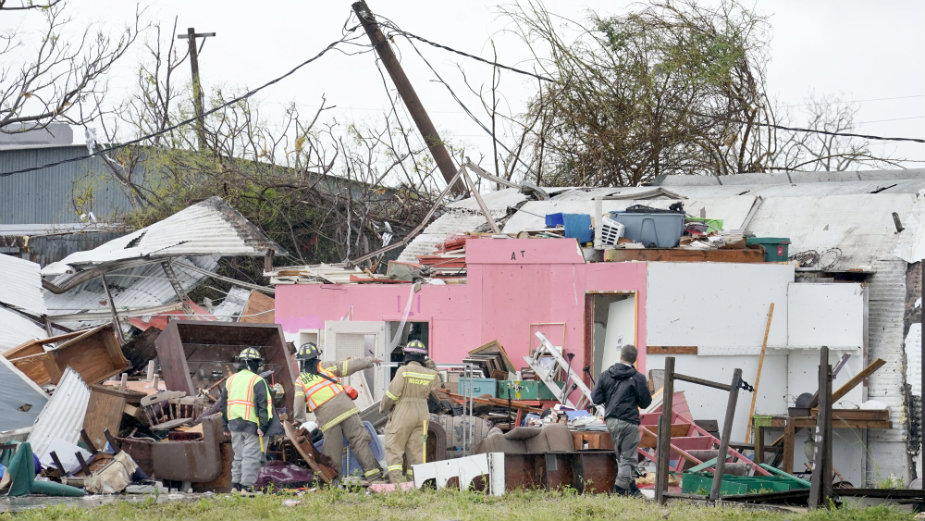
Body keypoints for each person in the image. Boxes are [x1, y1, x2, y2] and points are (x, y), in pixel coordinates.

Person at [292, 342, 385, 483]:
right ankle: (375, 478)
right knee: (360, 441)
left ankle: (333, 484)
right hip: (347, 410)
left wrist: (299, 421)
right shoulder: (325, 366)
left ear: (302, 362)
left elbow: (298, 403)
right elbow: (348, 366)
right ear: (317, 356)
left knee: (332, 451)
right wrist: (369, 360)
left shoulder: (300, 381)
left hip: (328, 418)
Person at [591, 344, 652, 497]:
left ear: (621, 356)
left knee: (621, 459)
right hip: (629, 422)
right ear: (634, 359)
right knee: (628, 460)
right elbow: (645, 402)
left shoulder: (606, 374)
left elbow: (596, 398)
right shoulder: (638, 378)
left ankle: (633, 491)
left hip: (611, 421)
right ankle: (618, 494)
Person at [379, 340, 440, 483]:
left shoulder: (403, 371)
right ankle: (416, 484)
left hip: (404, 411)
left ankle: (397, 486)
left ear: (406, 354)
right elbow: (438, 388)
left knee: (394, 448)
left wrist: (383, 407)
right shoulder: (431, 374)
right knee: (417, 452)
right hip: (422, 412)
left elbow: (393, 394)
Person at [219, 347, 273, 493]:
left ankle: (236, 486)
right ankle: (247, 488)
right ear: (253, 364)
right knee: (251, 457)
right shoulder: (258, 380)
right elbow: (264, 406)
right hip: (252, 424)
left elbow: (223, 405)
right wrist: (264, 426)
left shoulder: (230, 380)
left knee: (239, 456)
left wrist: (225, 426)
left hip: (234, 425)